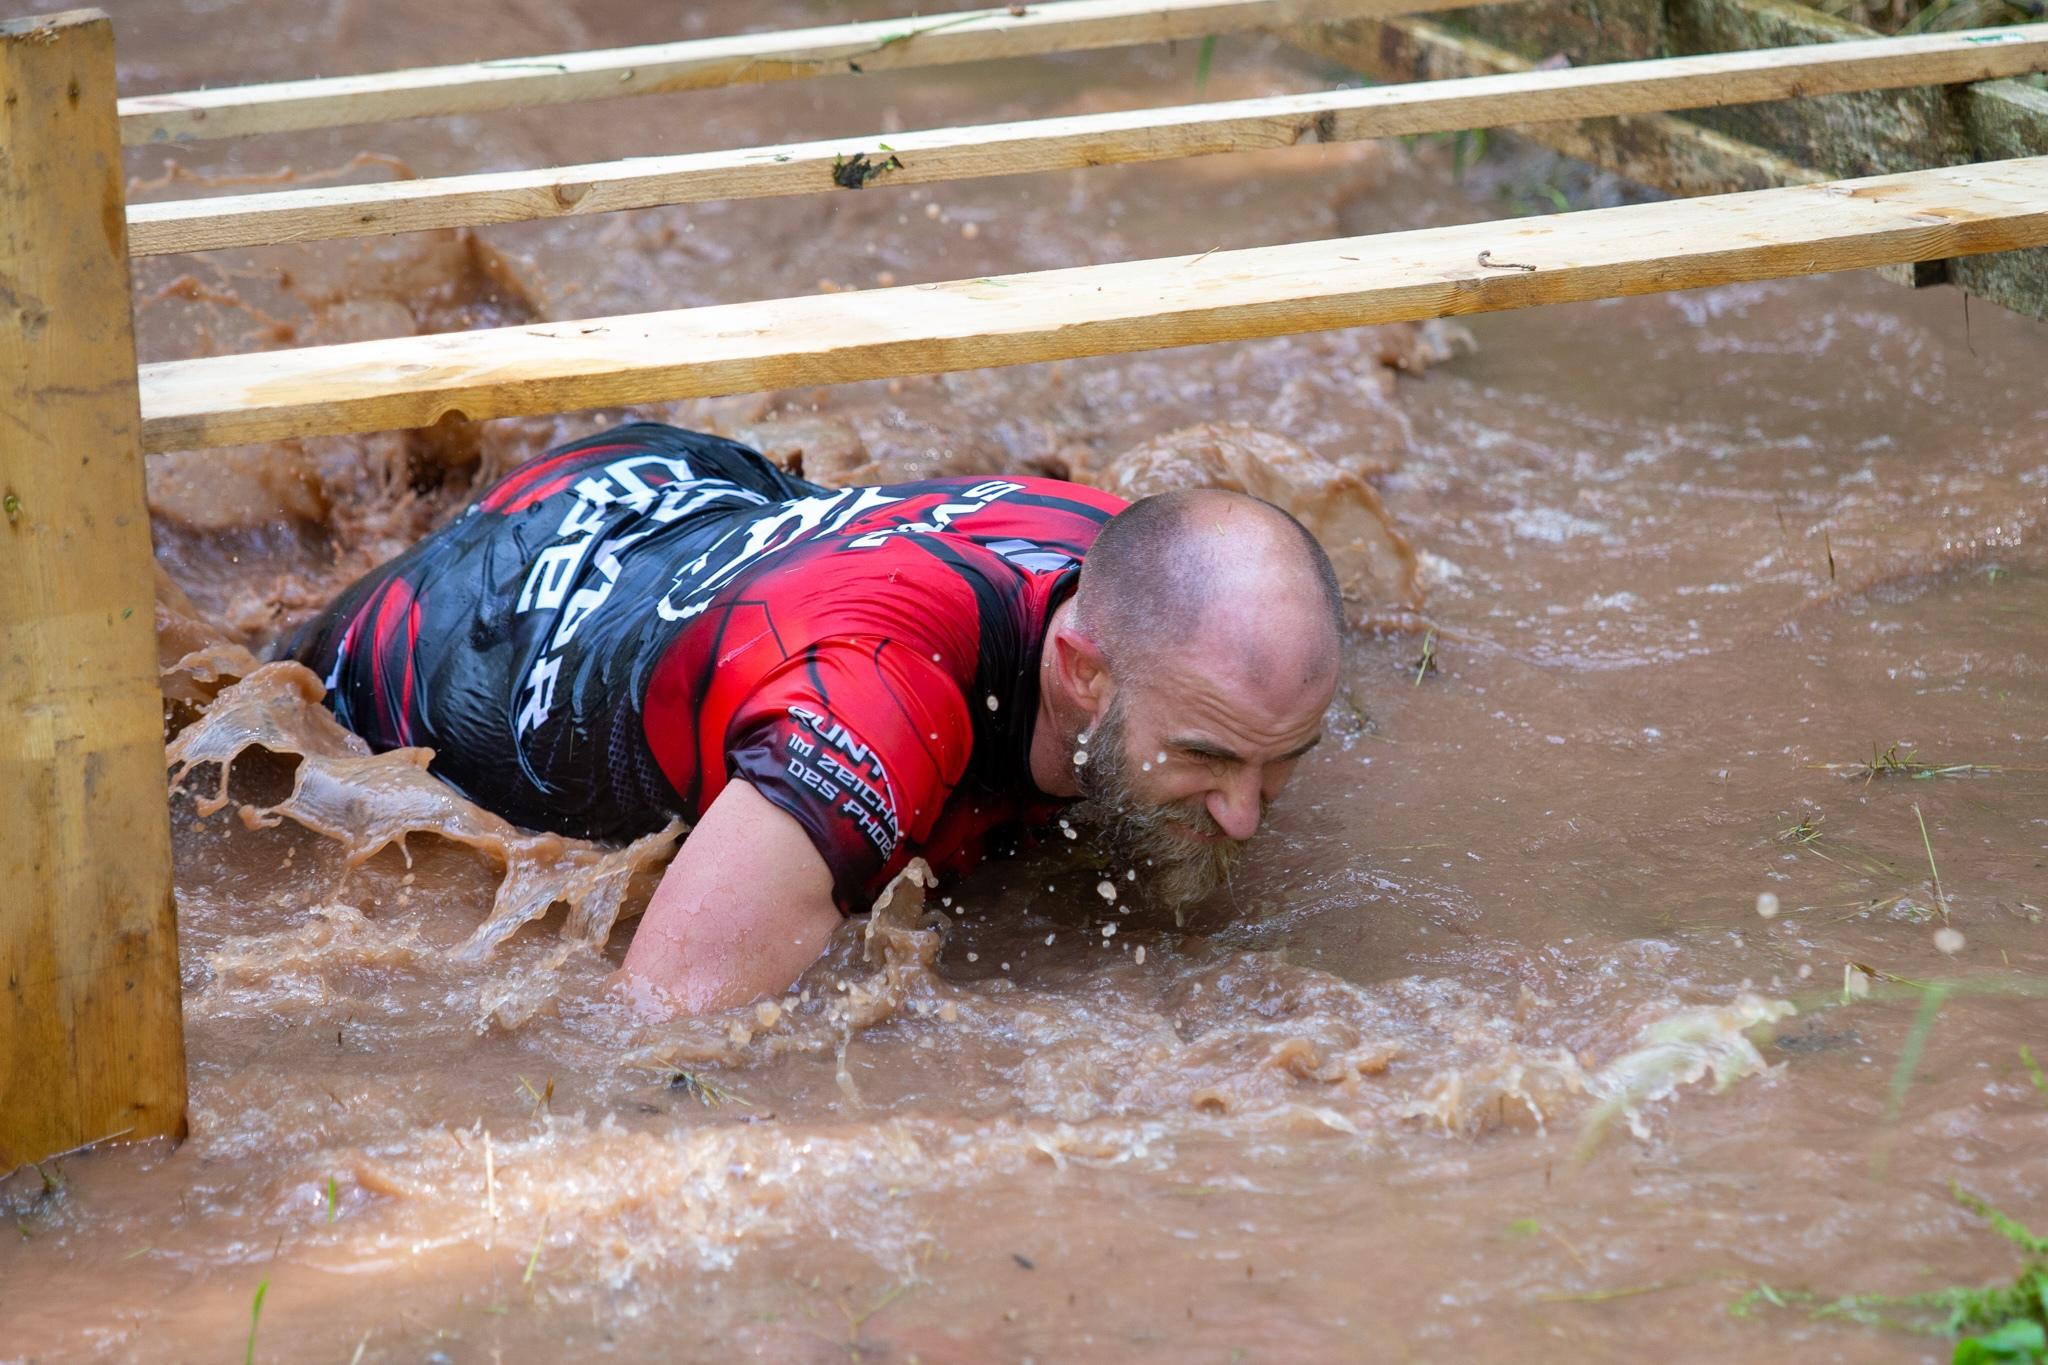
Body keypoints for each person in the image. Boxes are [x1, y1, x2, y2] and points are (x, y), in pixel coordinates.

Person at [289, 422, 1344, 1016]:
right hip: (457, 634)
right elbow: (649, 1028)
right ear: (1083, 672)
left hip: (684, 489)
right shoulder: (874, 720)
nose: (1247, 816)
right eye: (1207, 757)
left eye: (1282, 761)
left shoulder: (1143, 575)